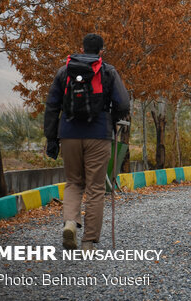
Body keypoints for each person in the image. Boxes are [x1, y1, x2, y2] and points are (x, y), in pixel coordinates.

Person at [44, 33, 130, 251]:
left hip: (69, 134)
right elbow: (123, 102)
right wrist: (112, 118)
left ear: (82, 49)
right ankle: (89, 241)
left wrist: (51, 138)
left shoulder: (64, 71)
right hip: (98, 135)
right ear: (101, 51)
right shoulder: (107, 71)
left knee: (73, 183)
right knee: (95, 187)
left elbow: (52, 107)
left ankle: (70, 222)